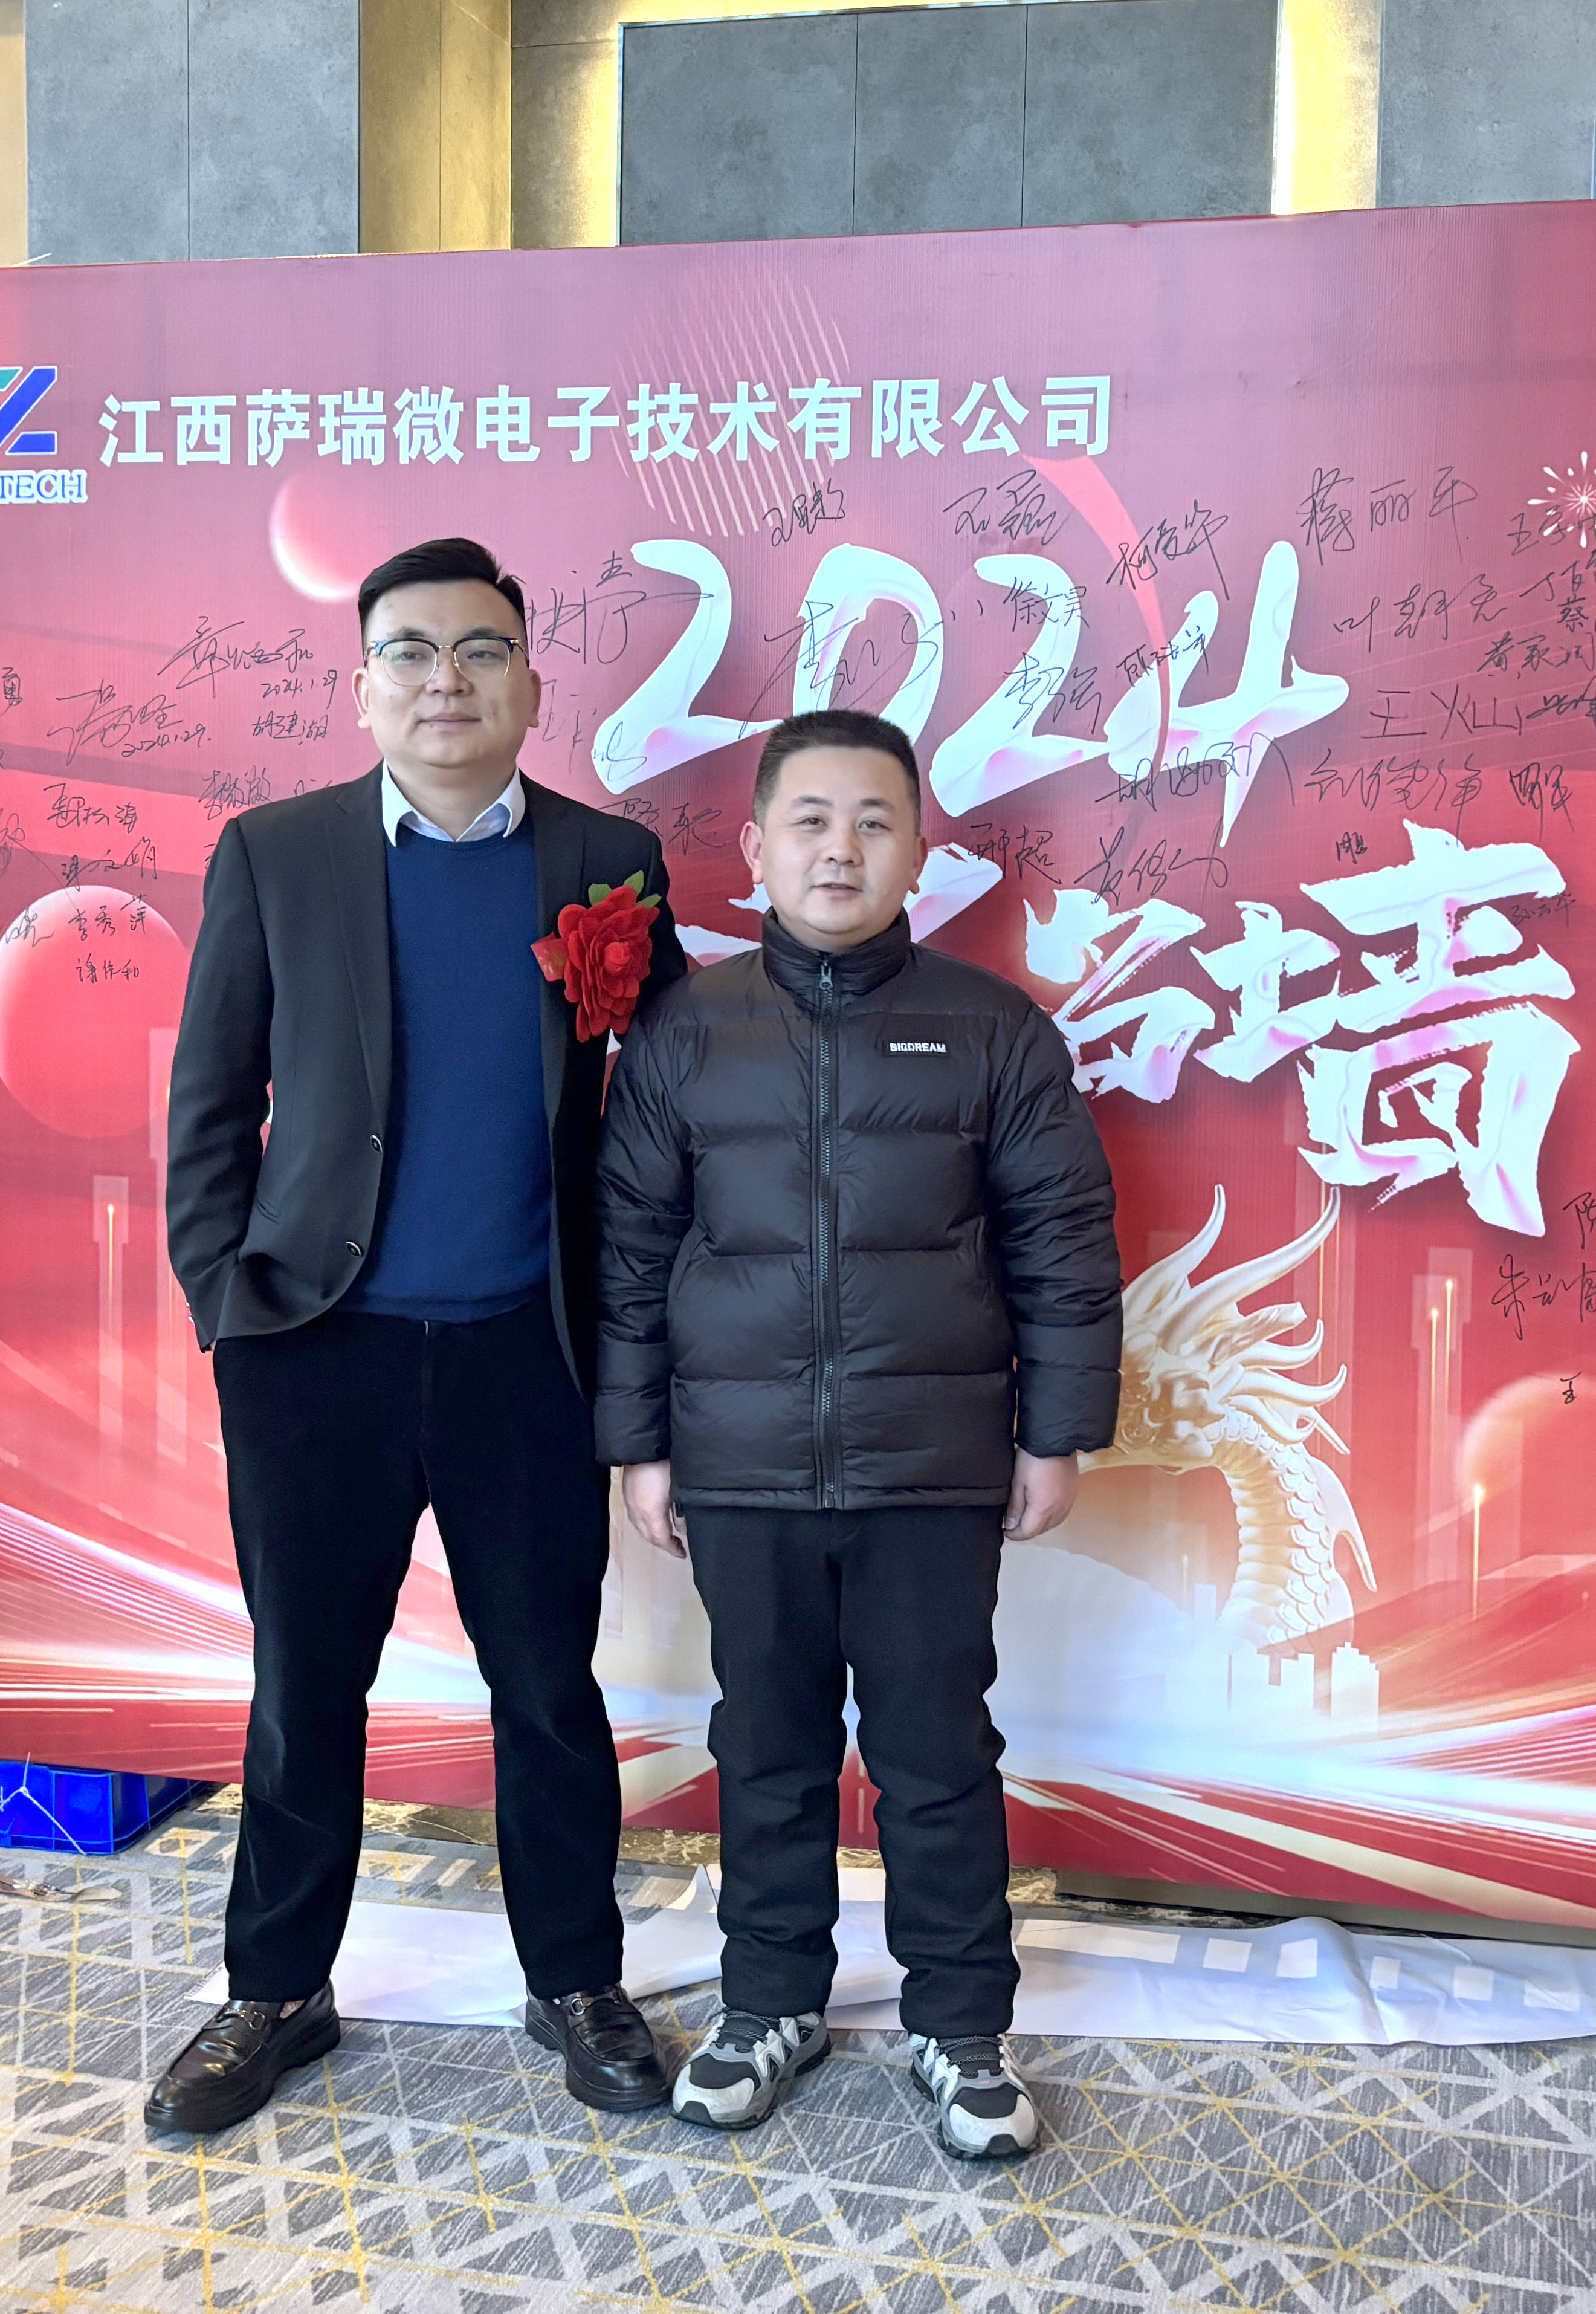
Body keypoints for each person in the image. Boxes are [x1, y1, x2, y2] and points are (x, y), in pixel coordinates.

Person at [152, 536, 688, 2133]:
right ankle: (275, 1989)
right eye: (410, 652)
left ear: (530, 683)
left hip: (530, 1352)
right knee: (306, 1683)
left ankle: (575, 1980)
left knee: (548, 1686)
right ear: (363, 686)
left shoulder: (609, 861)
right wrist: (229, 1309)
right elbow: (208, 1102)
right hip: (318, 1351)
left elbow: (656, 1116)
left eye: (479, 650)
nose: (445, 679)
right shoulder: (277, 854)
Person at [595, 707, 1120, 2159]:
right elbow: (630, 1251)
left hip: (929, 1464)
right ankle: (769, 2001)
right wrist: (641, 1442)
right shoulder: (684, 1031)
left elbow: (1062, 1243)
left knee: (935, 1753)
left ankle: (961, 2023)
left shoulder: (993, 1028)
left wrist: (1056, 1430)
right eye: (811, 820)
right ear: (755, 846)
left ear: (919, 851)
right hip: (740, 1464)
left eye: (874, 821)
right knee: (762, 1747)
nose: (841, 848)